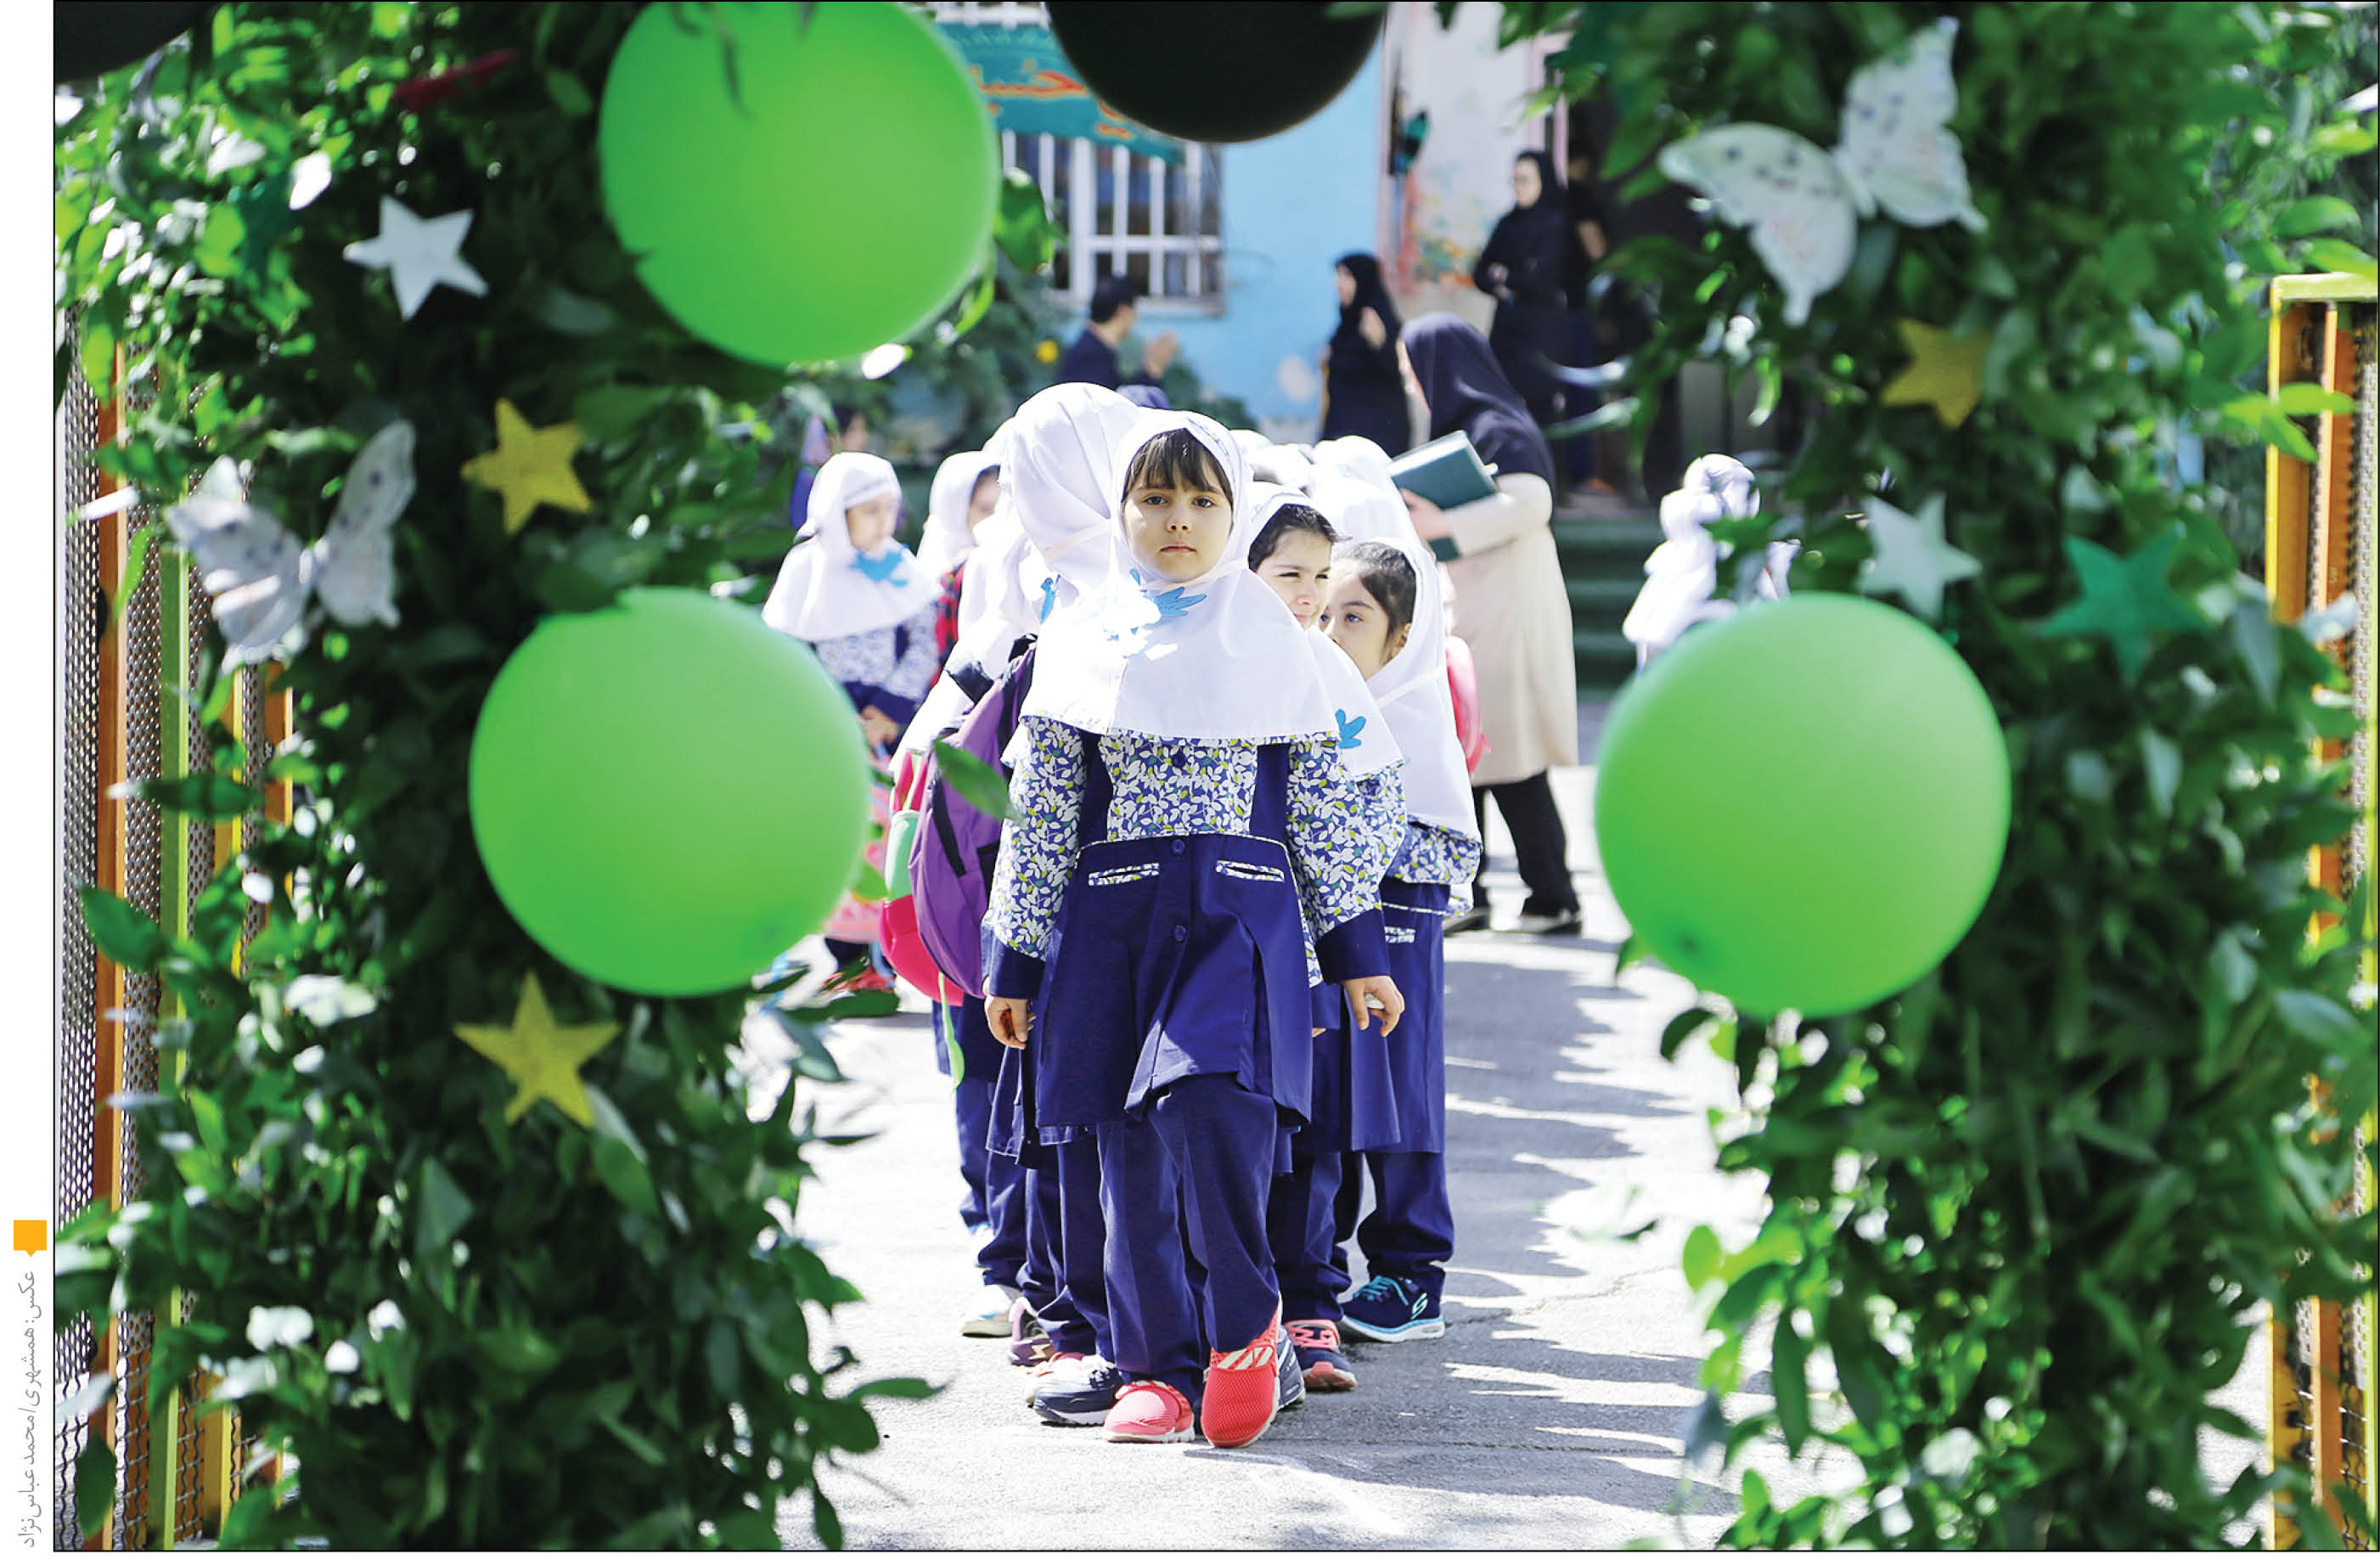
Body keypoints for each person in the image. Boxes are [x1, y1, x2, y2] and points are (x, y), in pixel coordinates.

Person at [983, 414, 1405, 1450]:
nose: (1178, 519)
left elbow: (1321, 812)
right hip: (1110, 920)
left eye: (1203, 500)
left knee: (1214, 1106)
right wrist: (1016, 960)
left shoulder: (1277, 644)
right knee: (1125, 1145)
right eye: (1155, 498)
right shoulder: (1082, 639)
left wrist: (1355, 952)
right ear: (1120, 512)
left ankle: (1244, 1326)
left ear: (1234, 514)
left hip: (1240, 917)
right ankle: (1157, 1370)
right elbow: (1042, 814)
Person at [1313, 535, 1479, 1350]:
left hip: (1395, 913)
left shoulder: (1410, 717)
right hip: (1322, 920)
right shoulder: (1305, 704)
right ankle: (1319, 1268)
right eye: (1320, 612)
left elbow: (1441, 838)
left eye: (1354, 616)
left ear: (1401, 636)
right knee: (1327, 1088)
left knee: (1399, 1085)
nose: (1330, 631)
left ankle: (1412, 1273)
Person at [1396, 314, 1582, 936]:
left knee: (1505, 756)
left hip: (1508, 611)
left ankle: (1550, 896)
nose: (1411, 384)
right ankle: (1469, 892)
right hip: (1478, 605)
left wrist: (1442, 525)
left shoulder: (1499, 428)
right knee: (1470, 753)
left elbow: (1531, 502)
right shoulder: (1473, 428)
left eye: (1412, 370)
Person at [762, 451, 942, 982]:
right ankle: (845, 961)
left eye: (890, 509)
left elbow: (923, 643)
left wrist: (890, 709)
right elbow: (788, 649)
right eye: (869, 510)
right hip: (828, 725)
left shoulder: (901, 567)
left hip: (887, 725)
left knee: (886, 837)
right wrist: (827, 714)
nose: (884, 522)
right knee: (840, 838)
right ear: (836, 514)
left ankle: (887, 959)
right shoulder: (806, 569)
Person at [1473, 151, 1573, 436]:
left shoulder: (1556, 223)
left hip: (1541, 336)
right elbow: (1480, 274)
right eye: (1514, 179)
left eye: (1525, 180)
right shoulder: (1508, 223)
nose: (1517, 186)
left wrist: (1505, 275)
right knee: (1502, 408)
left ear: (1543, 181)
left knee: (1542, 417)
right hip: (1507, 333)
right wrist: (1518, 275)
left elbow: (1543, 281)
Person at [1319, 253, 1409, 455]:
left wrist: (1380, 345)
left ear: (1363, 280)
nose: (1338, 284)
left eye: (1346, 276)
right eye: (1338, 275)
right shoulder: (1347, 326)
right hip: (1342, 431)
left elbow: (1396, 370)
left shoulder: (1377, 321)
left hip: (1375, 438)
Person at [1053, 274, 1179, 392]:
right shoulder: (1091, 358)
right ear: (1123, 312)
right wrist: (1153, 368)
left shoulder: (1093, 350)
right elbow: (1115, 404)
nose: (1137, 317)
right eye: (1135, 310)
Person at [1246, 489, 1339, 629]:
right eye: (1291, 575)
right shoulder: (1212, 641)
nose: (1311, 598)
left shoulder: (1316, 644)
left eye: (1321, 576)